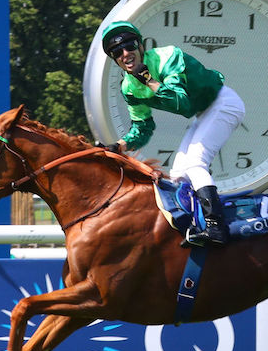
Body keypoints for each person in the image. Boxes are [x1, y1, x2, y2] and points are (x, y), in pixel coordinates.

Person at [100, 21, 246, 246]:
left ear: (140, 46)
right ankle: (193, 226)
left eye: (129, 47)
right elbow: (143, 128)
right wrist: (118, 146)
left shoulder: (167, 56)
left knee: (196, 163)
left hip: (224, 103)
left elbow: (182, 103)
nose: (125, 54)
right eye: (117, 52)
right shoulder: (129, 87)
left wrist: (149, 80)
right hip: (204, 112)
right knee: (178, 175)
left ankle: (217, 227)